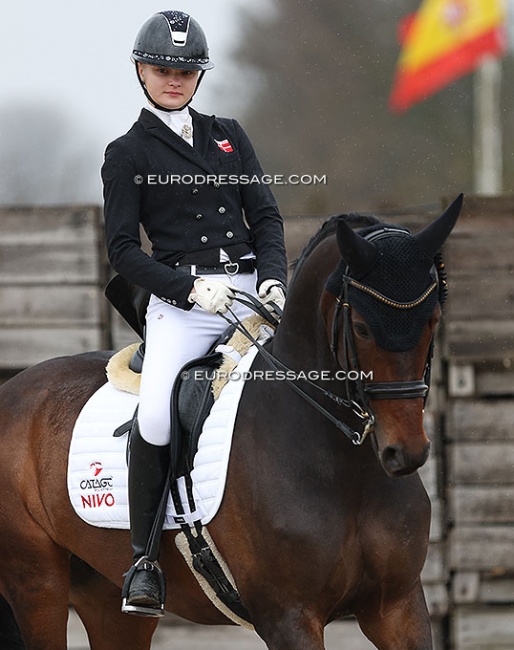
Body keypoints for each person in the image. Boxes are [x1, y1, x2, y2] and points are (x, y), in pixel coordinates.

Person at [101, 10, 287, 617]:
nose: (174, 79)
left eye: (186, 70)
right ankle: (144, 560)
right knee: (155, 416)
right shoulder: (126, 153)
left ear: (198, 75)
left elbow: (265, 216)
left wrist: (275, 280)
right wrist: (187, 288)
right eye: (163, 69)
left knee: (308, 381)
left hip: (249, 294)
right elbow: (124, 251)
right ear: (141, 71)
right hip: (184, 305)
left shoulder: (229, 132)